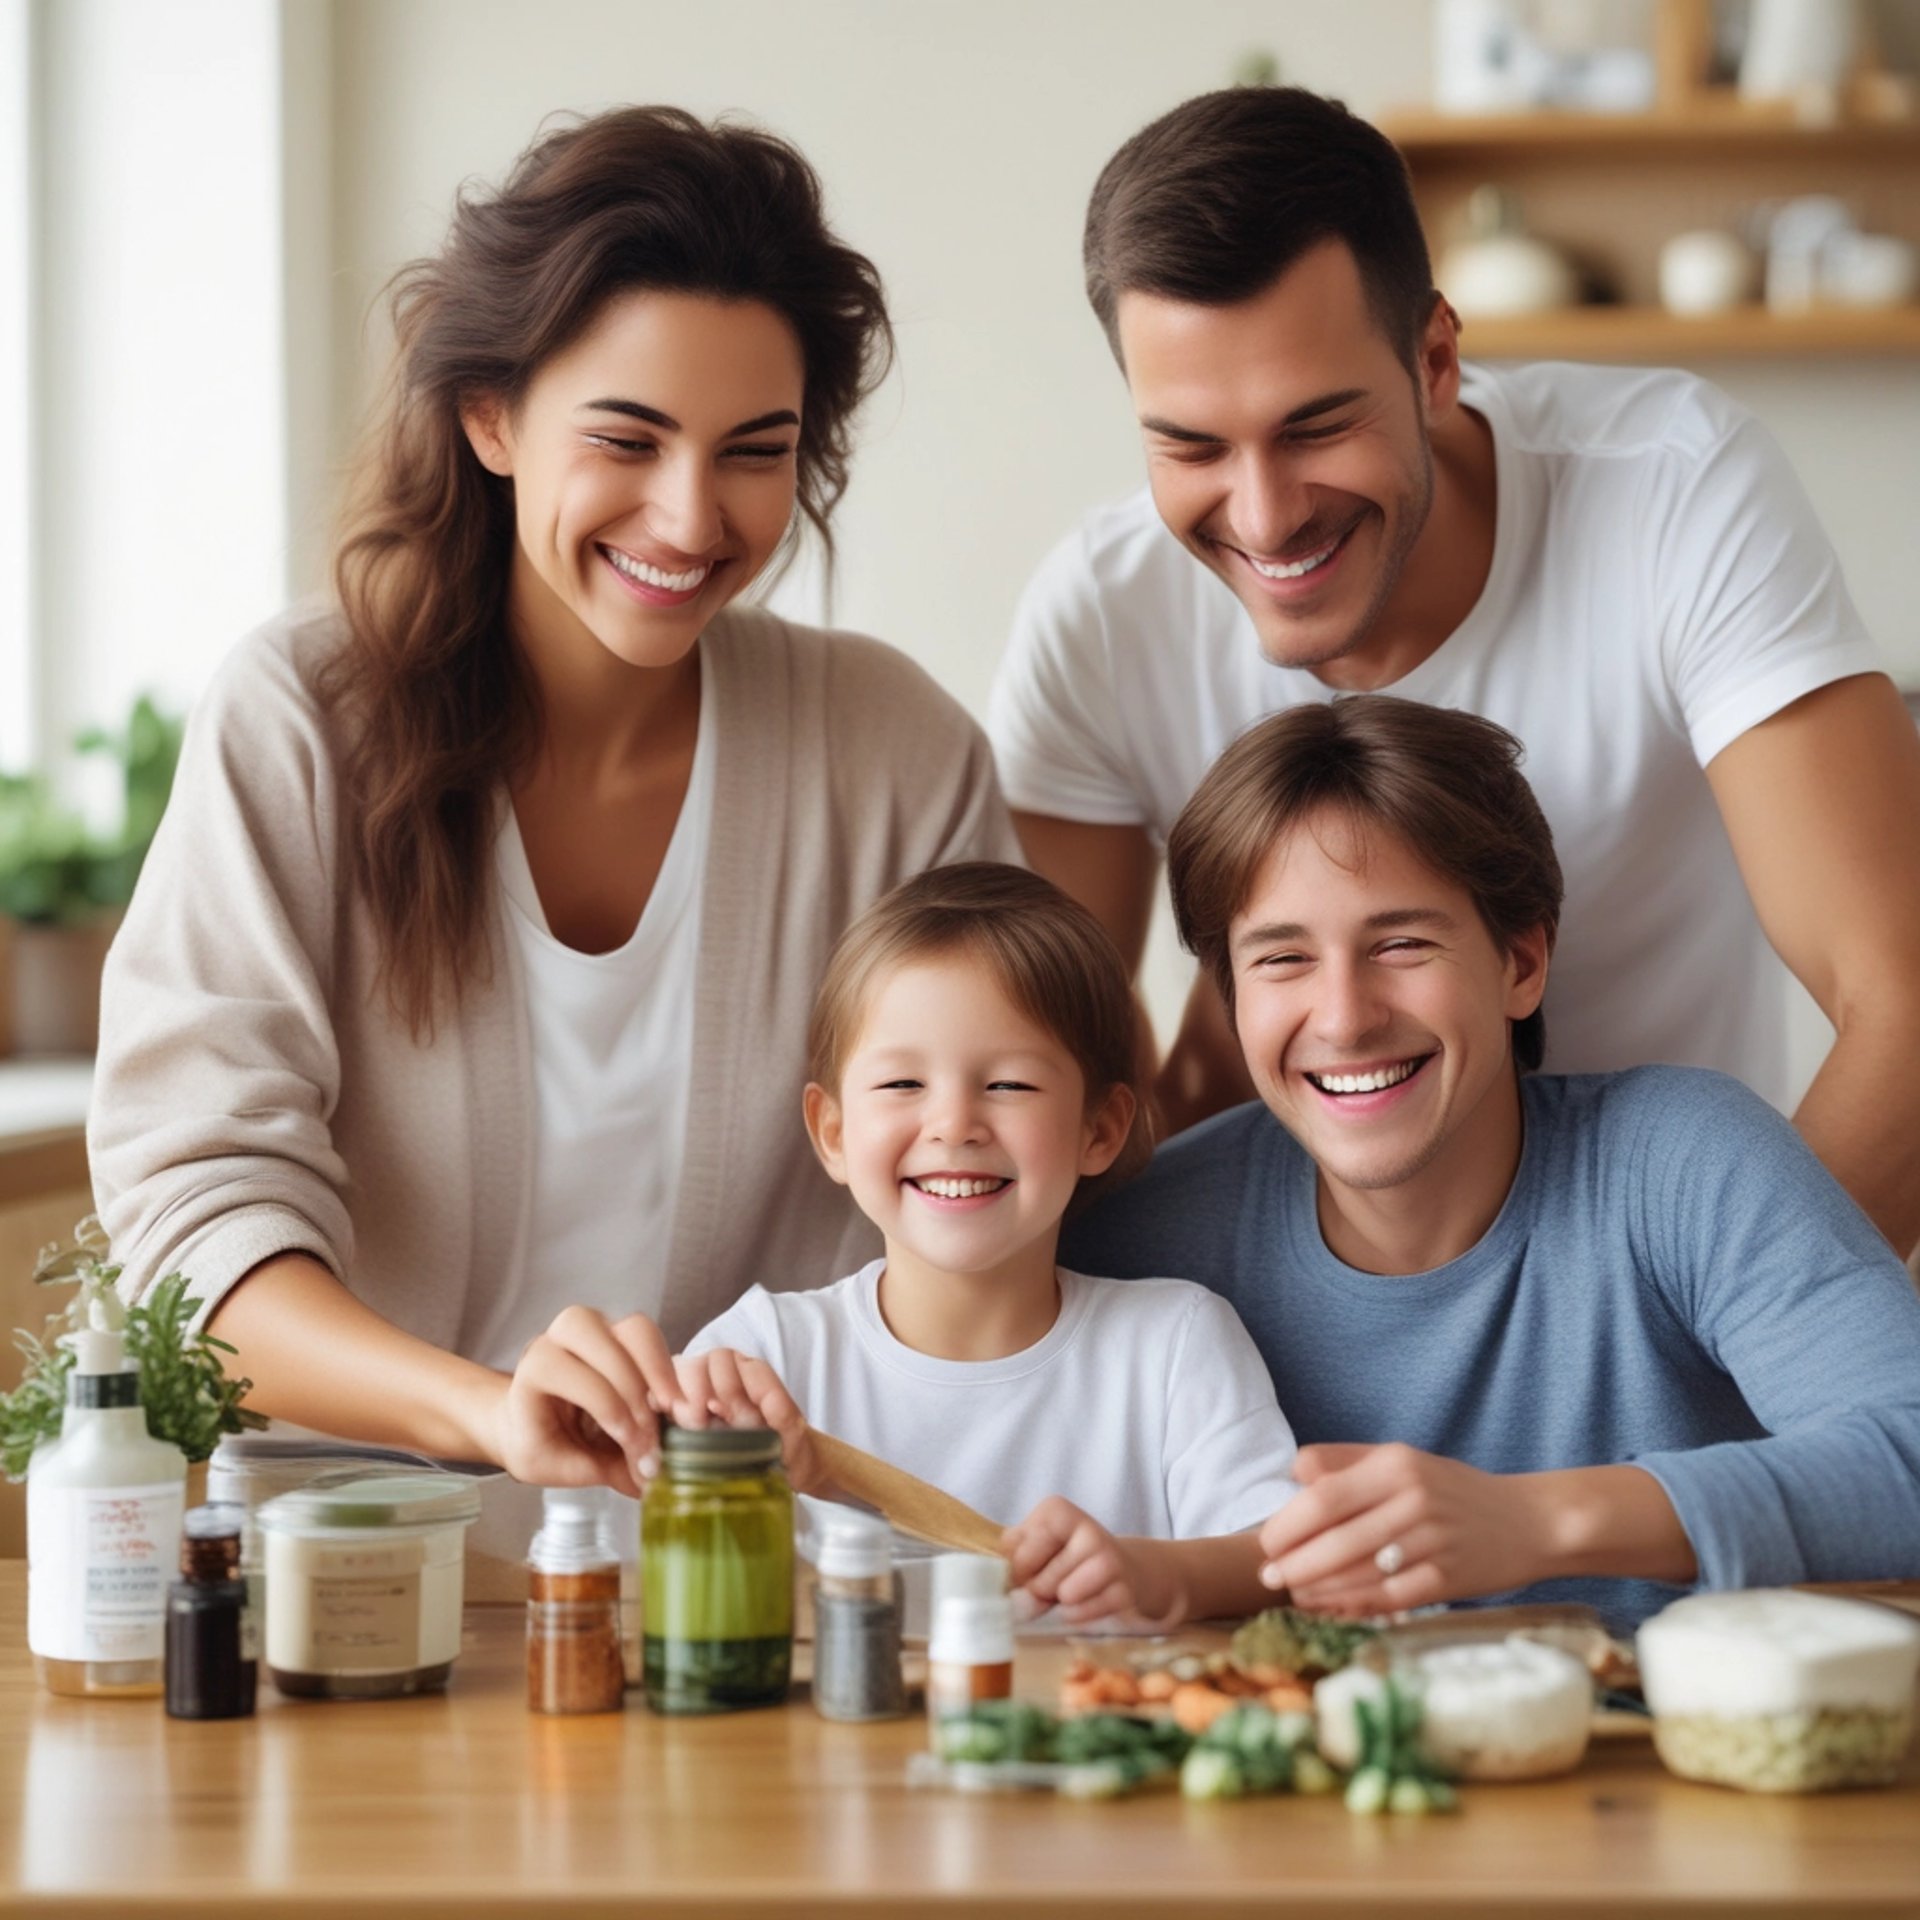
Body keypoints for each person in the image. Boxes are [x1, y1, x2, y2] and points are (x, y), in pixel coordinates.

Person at [87, 107, 1018, 1501]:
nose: (693, 519)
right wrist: (484, 1410)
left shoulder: (896, 758)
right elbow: (196, 1223)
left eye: (754, 451)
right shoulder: (302, 719)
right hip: (362, 1593)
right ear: (492, 415)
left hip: (773, 1595)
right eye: (629, 440)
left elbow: (999, 1205)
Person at [989, 85, 1920, 1251]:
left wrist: (1711, 1348)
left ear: (1435, 361)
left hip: (1664, 1274)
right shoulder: (1101, 616)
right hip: (1273, 1320)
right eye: (1190, 444)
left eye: (1316, 425)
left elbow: (1904, 1006)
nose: (1266, 516)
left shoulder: (1672, 490)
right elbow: (1046, 1077)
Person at [1062, 695, 1920, 1631]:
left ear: (1520, 962)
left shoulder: (1688, 1161)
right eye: (1283, 960)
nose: (1345, 1017)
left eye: (1401, 944)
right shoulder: (1137, 1234)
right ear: (1232, 1000)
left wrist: (1534, 1519)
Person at [661, 863, 1300, 1628]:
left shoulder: (1172, 1344)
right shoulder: (758, 1358)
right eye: (903, 1085)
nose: (954, 1124)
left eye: (1009, 1086)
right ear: (832, 1132)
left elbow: (1281, 1558)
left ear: (1099, 1129)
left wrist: (1154, 1571)